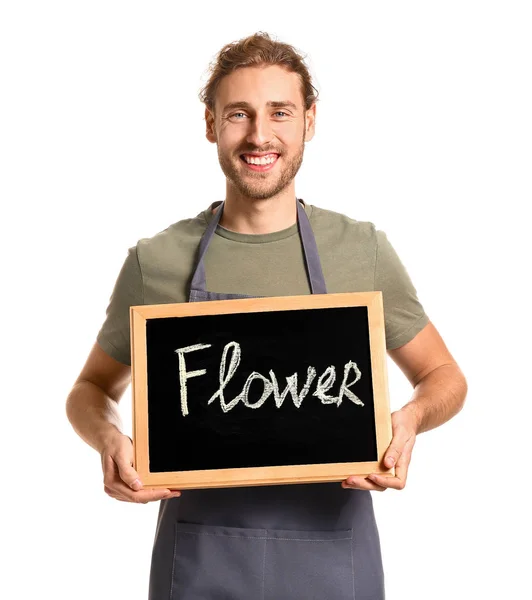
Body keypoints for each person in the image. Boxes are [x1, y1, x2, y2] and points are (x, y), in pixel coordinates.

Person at [66, 31, 468, 600]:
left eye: (280, 112)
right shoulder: (156, 261)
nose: (260, 135)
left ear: (308, 121)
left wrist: (407, 424)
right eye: (238, 114)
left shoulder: (361, 250)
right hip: (201, 559)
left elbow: (444, 377)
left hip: (334, 557)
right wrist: (108, 438)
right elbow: (89, 388)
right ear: (210, 124)